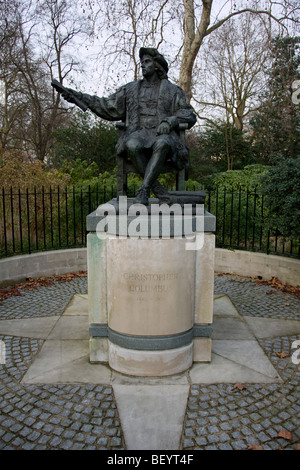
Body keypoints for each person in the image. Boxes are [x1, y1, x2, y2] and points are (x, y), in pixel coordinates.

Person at [58, 47, 197, 204]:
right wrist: (78, 96)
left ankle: (144, 189)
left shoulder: (172, 90)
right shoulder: (131, 89)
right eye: (141, 62)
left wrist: (170, 121)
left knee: (163, 144)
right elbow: (107, 105)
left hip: (162, 134)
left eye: (147, 62)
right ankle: (156, 188)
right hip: (139, 132)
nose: (143, 65)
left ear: (157, 65)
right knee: (131, 145)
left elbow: (189, 114)